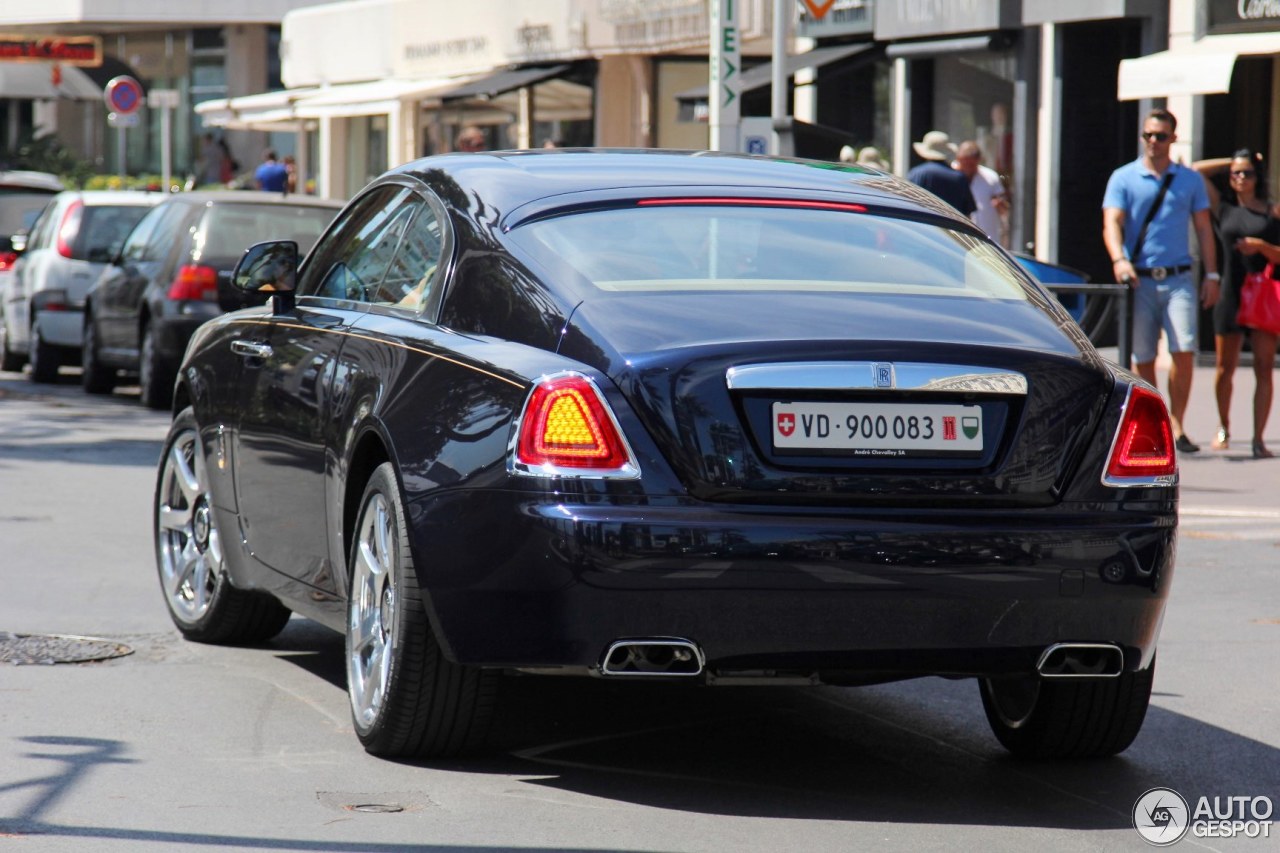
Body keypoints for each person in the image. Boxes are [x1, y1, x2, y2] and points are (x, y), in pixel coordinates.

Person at [1103, 108, 1220, 453]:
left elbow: (1203, 228)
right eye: (1149, 135)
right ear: (1143, 137)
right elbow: (1112, 222)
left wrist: (1212, 274)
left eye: (1161, 136)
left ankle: (1177, 423)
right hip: (1139, 280)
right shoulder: (1123, 177)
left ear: (1173, 138)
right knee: (1143, 357)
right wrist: (1119, 259)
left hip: (1179, 277)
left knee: (1184, 350)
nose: (1154, 142)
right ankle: (1157, 423)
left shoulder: (1188, 179)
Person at [1193, 149, 1280, 458]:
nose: (1241, 178)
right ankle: (1223, 426)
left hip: (1263, 295)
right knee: (1224, 367)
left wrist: (1263, 247)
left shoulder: (1272, 212)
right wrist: (1232, 161)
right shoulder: (1225, 208)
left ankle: (1258, 438)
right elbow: (1196, 170)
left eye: (1247, 173)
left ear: (1258, 177)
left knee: (1263, 366)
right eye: (1236, 173)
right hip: (1231, 292)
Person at [906, 131, 976, 217]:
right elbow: (967, 213)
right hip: (951, 228)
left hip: (922, 226)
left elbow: (907, 204)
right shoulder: (959, 177)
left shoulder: (917, 173)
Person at [953, 140, 1008, 244]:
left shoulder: (990, 178)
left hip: (985, 239)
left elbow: (1004, 207)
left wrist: (1000, 204)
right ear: (958, 159)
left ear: (978, 161)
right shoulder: (949, 174)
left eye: (971, 165)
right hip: (957, 239)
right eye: (964, 163)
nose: (967, 169)